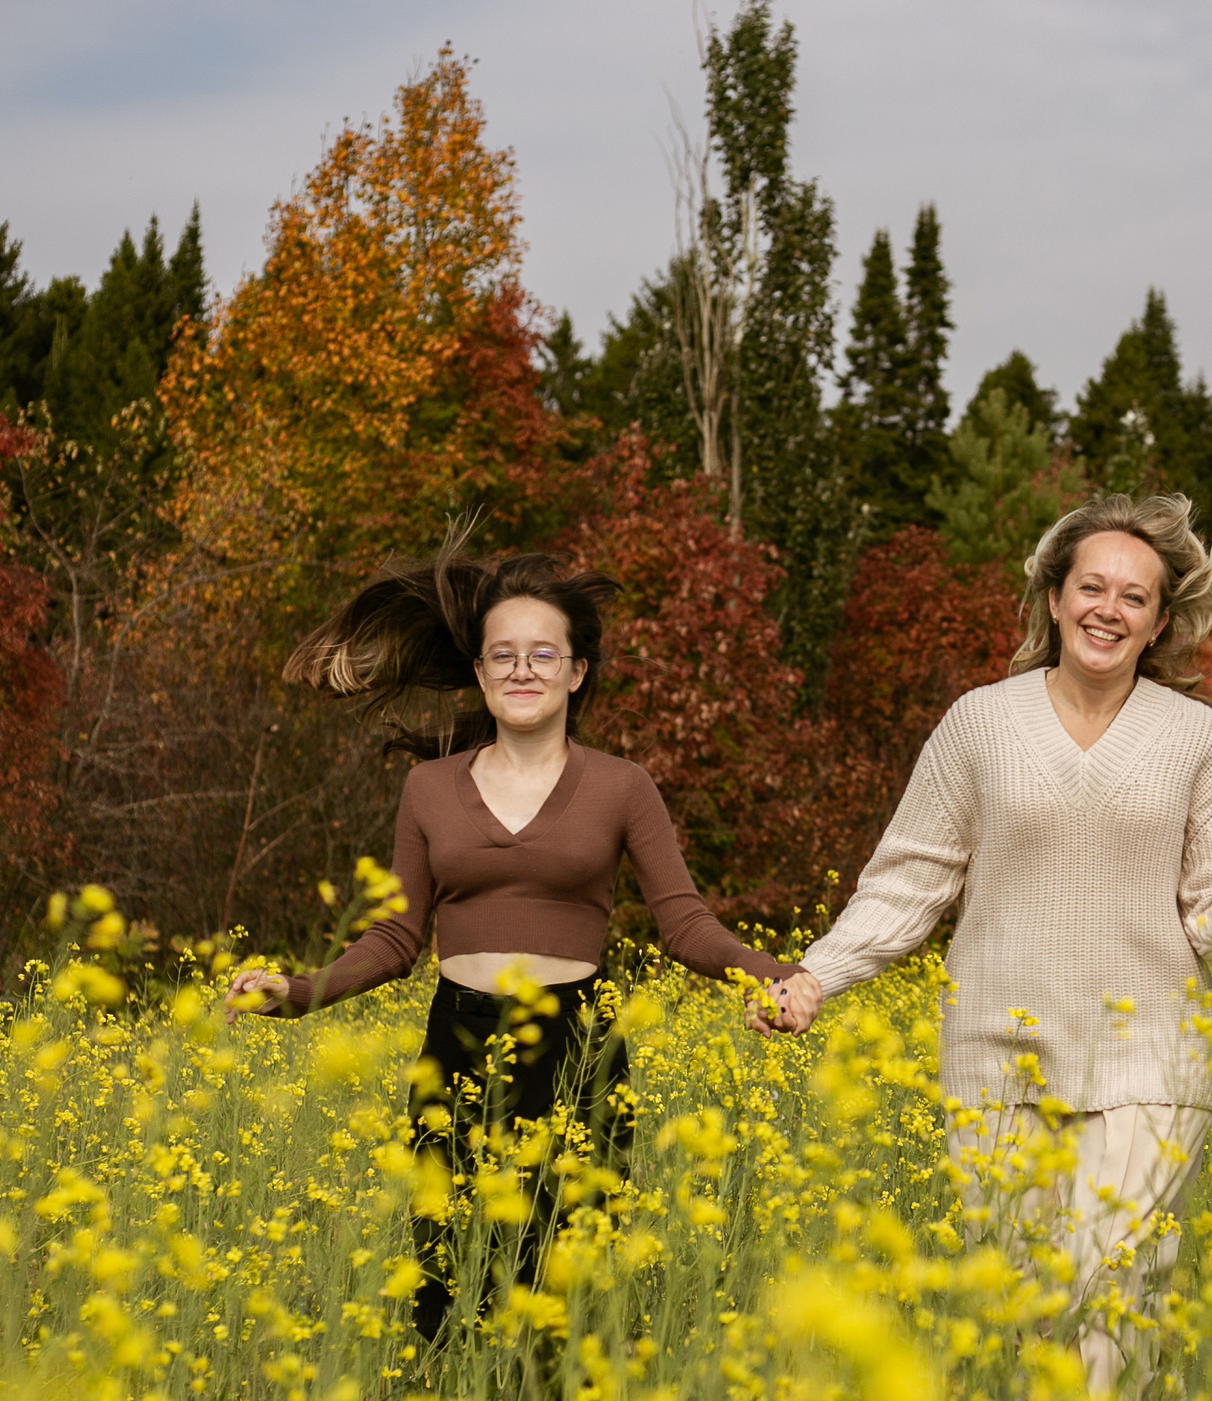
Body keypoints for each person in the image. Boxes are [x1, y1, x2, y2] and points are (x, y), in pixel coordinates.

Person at [761, 493, 1212, 1401]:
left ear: (1161, 624)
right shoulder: (981, 722)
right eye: (1091, 587)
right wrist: (817, 978)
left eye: (1134, 597)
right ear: (1053, 598)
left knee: (1115, 1290)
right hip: (996, 1050)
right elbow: (910, 880)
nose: (1108, 609)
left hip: (1152, 1051)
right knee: (1021, 1304)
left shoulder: (1198, 739)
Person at [227, 547, 799, 1343]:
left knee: (563, 1294)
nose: (522, 669)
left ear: (576, 673)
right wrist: (296, 991)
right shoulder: (428, 788)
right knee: (449, 1288)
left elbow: (685, 924)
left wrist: (782, 975)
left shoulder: (622, 786)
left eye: (543, 654)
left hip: (578, 1049)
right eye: (504, 654)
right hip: (457, 1041)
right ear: (479, 670)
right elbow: (396, 937)